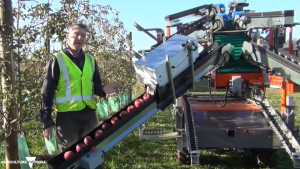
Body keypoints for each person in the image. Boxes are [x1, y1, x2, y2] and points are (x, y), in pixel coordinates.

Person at [40, 23, 116, 153]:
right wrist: (47, 121)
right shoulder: (58, 60)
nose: (79, 38)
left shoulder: (91, 60)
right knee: (70, 155)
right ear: (67, 36)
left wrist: (104, 90)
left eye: (83, 35)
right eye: (76, 34)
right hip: (67, 117)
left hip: (89, 114)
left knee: (93, 151)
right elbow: (47, 92)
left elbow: (96, 87)